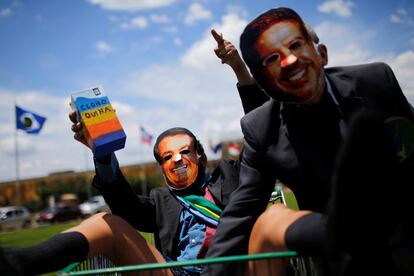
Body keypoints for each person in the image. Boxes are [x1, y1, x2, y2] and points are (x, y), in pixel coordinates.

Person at [0, 40, 267, 275]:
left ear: (200, 156)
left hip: (240, 269)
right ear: (161, 167)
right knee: (107, 224)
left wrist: (238, 67)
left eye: (185, 151)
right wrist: (101, 149)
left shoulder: (231, 177)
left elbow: (260, 134)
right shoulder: (160, 203)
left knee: (274, 216)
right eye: (167, 156)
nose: (177, 159)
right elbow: (123, 204)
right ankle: (18, 263)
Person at [205, 7, 414, 276]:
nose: (290, 60)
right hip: (337, 259)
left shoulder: (375, 82)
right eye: (272, 58)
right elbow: (241, 214)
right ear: (264, 81)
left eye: (295, 45)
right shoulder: (261, 130)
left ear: (321, 53)